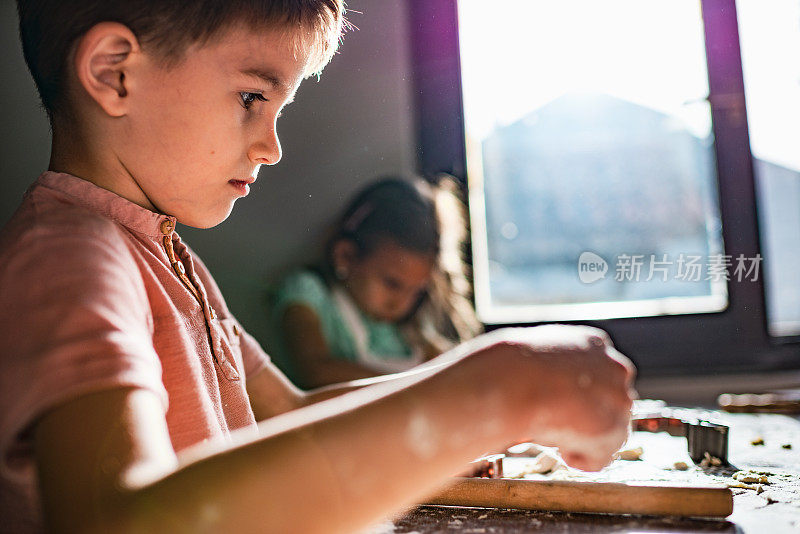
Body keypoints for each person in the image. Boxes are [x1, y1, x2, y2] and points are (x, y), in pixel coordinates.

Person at [0, 1, 636, 533]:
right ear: (114, 73)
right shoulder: (72, 255)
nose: (272, 146)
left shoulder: (164, 254)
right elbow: (115, 521)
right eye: (252, 96)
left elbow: (289, 412)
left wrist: (474, 421)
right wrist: (491, 393)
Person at [268, 176, 483, 388]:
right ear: (345, 256)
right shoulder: (308, 293)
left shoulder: (408, 330)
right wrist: (411, 388)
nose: (402, 303)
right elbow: (314, 371)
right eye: (393, 284)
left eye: (416, 291)